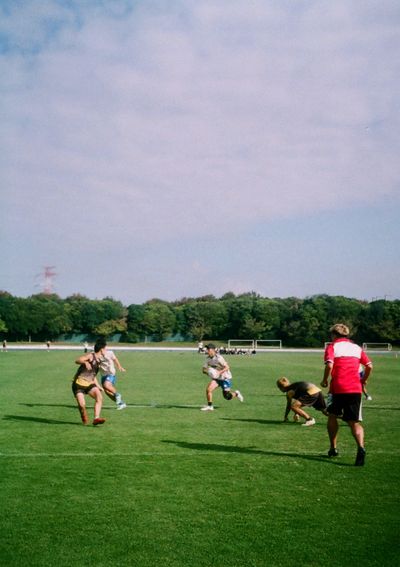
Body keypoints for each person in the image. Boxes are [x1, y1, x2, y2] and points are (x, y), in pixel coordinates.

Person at [321, 324, 373, 466]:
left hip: (337, 388)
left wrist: (325, 379)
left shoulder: (332, 347)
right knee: (354, 422)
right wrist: (364, 380)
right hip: (355, 389)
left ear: (333, 335)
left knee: (332, 416)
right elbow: (369, 366)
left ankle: (333, 448)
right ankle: (361, 447)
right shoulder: (357, 348)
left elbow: (329, 365)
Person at [72, 338, 107, 426]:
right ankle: (83, 415)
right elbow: (77, 360)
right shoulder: (91, 356)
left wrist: (98, 386)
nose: (106, 350)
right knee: (82, 405)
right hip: (78, 384)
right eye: (106, 348)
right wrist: (85, 362)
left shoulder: (99, 361)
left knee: (99, 397)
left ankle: (96, 418)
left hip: (89, 384)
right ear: (102, 349)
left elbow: (92, 375)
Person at [201, 343, 244, 411]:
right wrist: (208, 373)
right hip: (217, 379)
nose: (207, 350)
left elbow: (227, 367)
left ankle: (236, 394)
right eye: (207, 349)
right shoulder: (208, 359)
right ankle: (210, 406)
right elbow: (203, 370)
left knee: (227, 396)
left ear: (212, 350)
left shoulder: (219, 358)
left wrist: (219, 372)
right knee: (209, 389)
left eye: (208, 349)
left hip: (225, 378)